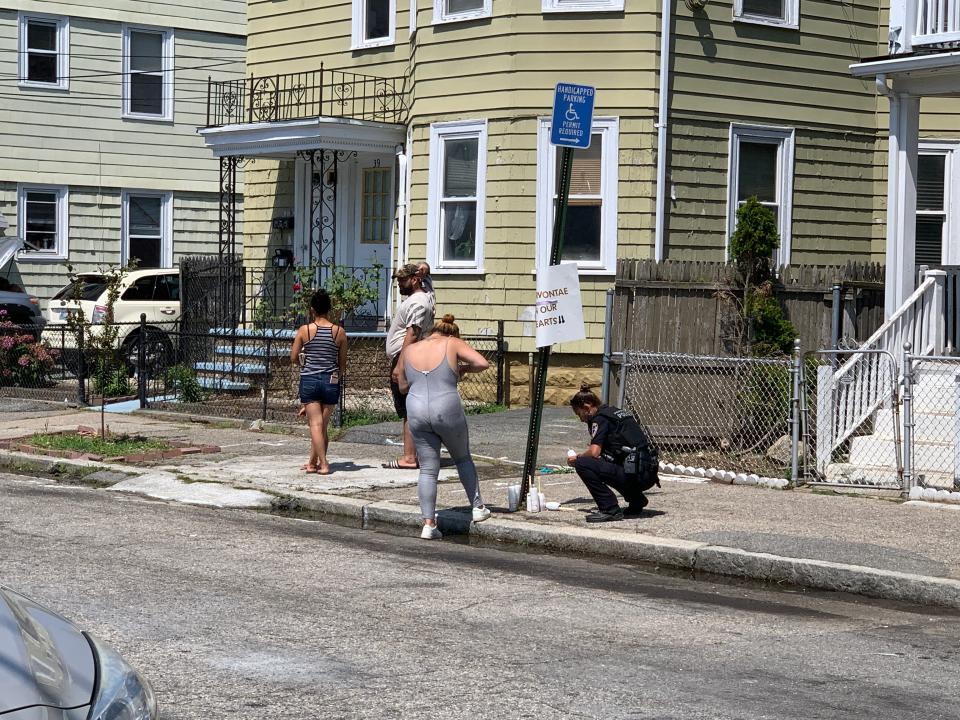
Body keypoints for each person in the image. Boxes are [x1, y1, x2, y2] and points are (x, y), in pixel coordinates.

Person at [392, 314, 491, 539]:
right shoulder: (452, 343)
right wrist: (463, 370)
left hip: (416, 409)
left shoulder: (410, 349)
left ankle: (429, 524)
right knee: (462, 458)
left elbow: (402, 383)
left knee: (428, 468)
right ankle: (478, 508)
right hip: (446, 406)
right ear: (452, 333)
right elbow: (482, 362)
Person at [567, 383, 660, 523]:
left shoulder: (600, 418)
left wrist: (578, 457)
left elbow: (594, 452)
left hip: (636, 475)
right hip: (646, 474)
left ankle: (610, 509)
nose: (581, 419)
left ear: (587, 407)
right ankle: (637, 500)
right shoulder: (614, 413)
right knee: (606, 463)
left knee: (583, 464)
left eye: (579, 413)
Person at [383, 263, 435, 469]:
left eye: (402, 281)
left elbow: (412, 334)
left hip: (406, 358)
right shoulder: (427, 294)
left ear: (414, 280)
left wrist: (400, 366)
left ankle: (410, 457)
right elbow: (426, 271)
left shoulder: (418, 303)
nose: (399, 285)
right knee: (413, 408)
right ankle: (417, 453)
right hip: (410, 357)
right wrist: (425, 268)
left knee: (408, 409)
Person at [291, 289, 347, 475]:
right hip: (331, 380)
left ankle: (323, 464)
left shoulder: (304, 330)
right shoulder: (339, 332)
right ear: (329, 309)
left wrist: (305, 359)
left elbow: (293, 357)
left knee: (315, 425)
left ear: (312, 309)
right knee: (322, 425)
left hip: (309, 379)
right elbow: (342, 364)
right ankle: (312, 462)